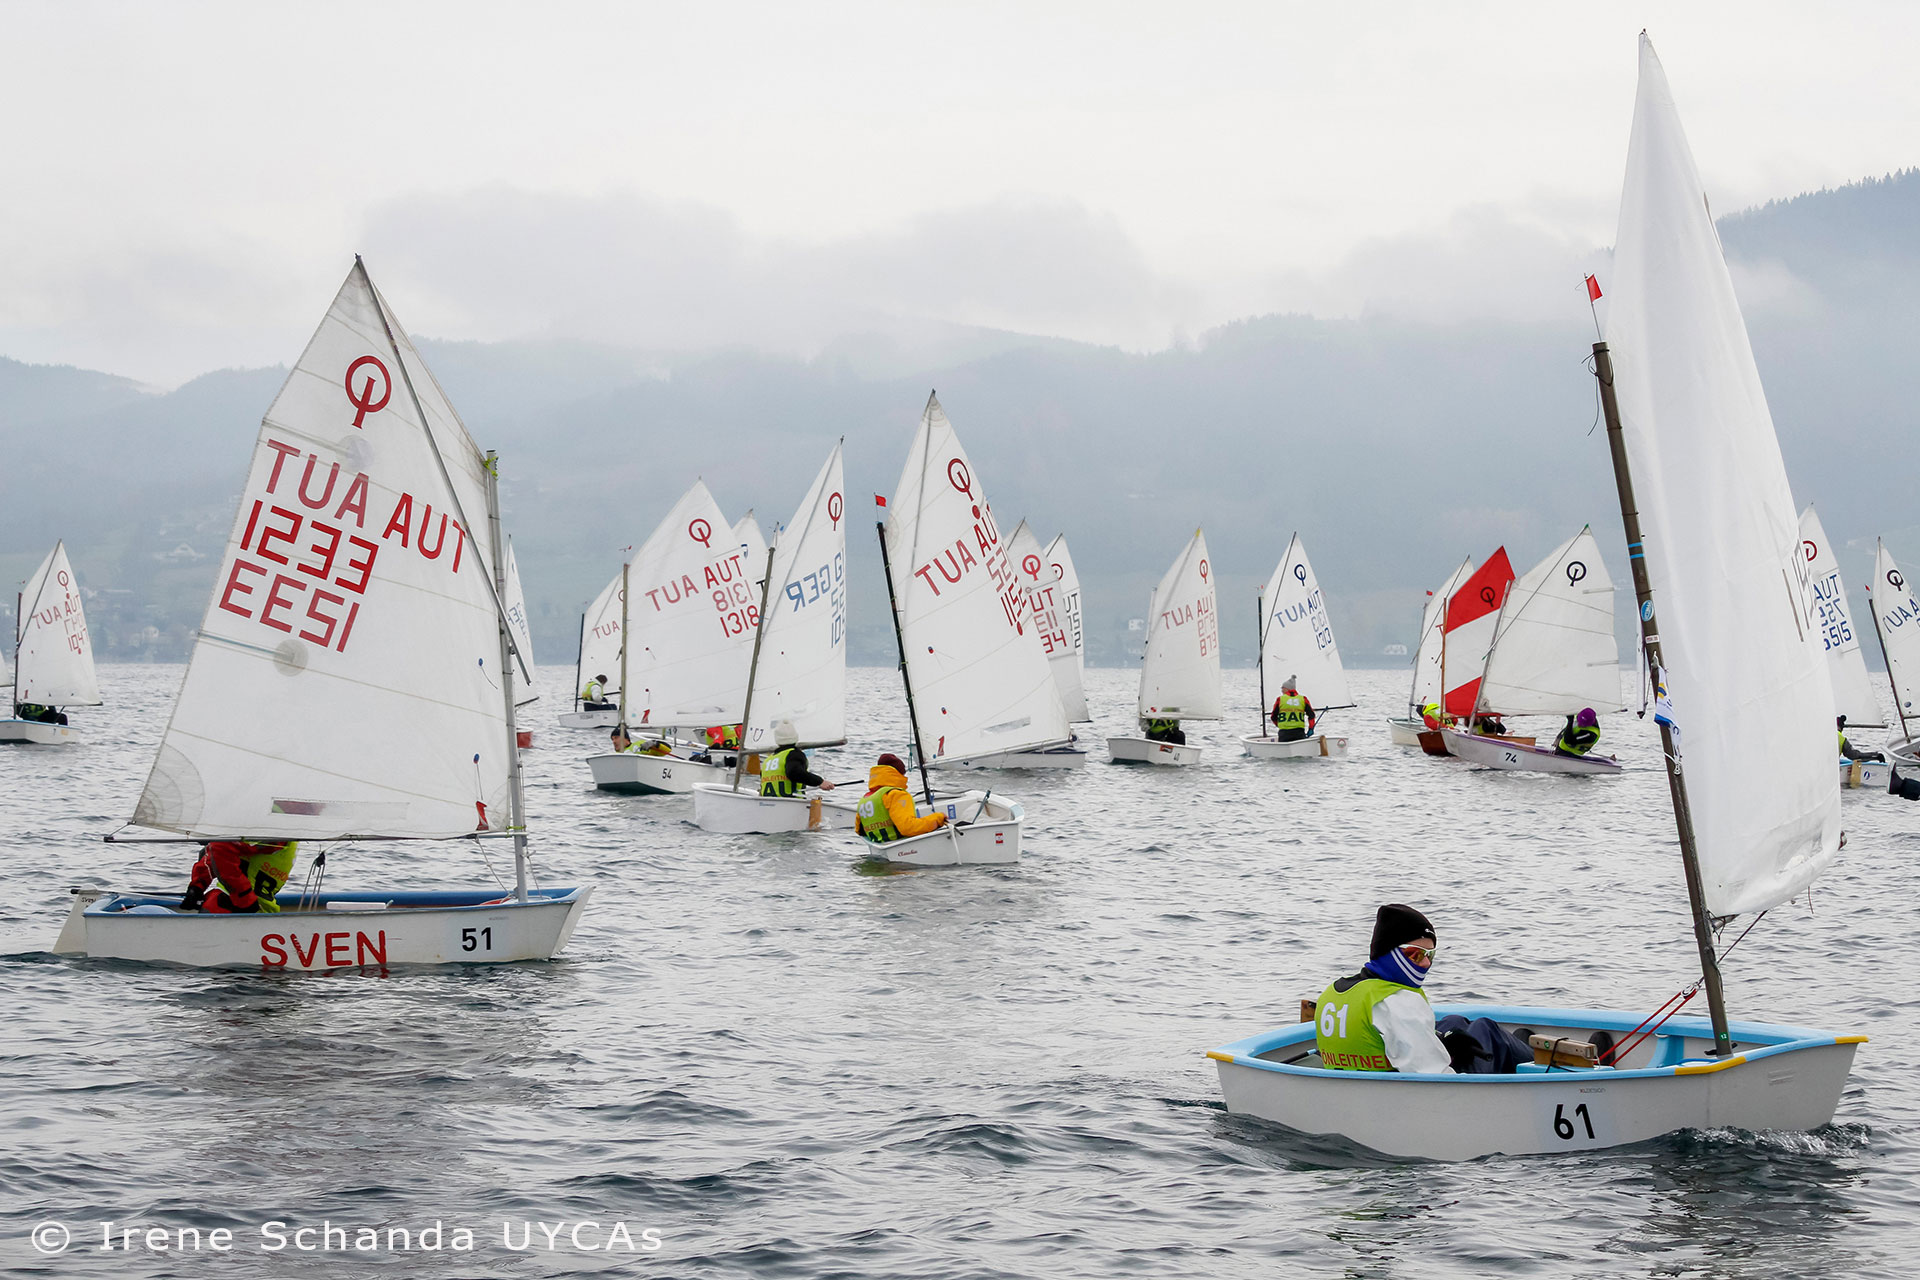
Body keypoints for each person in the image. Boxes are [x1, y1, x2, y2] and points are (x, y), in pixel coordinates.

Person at [1313, 903, 1531, 1075]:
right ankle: (1538, 1060)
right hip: (1421, 1098)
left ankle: (1520, 1043)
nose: (1426, 963)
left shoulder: (1332, 993)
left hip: (1360, 1090)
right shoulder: (1397, 1000)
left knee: (1454, 1022)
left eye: (1430, 955)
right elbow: (1436, 1078)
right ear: (1388, 950)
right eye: (1415, 954)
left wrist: (1444, 1044)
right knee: (1486, 1029)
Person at [180, 840, 298, 914]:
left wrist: (198, 885)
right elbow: (220, 847)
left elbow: (219, 848)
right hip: (232, 907)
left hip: (259, 909)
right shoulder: (274, 831)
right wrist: (245, 898)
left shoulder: (286, 832)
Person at [855, 753, 948, 844]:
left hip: (880, 846)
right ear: (897, 774)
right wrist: (938, 818)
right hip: (903, 848)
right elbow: (908, 828)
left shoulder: (864, 799)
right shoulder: (896, 794)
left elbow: (859, 831)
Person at [761, 721, 835, 798]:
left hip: (767, 803)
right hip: (791, 803)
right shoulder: (794, 754)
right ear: (796, 737)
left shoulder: (767, 760)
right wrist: (820, 782)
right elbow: (794, 772)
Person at [1269, 676, 1316, 742]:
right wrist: (1311, 728)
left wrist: (1279, 725)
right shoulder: (1303, 699)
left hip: (1284, 733)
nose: (1282, 690)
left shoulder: (1280, 699)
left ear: (1287, 688)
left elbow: (1273, 716)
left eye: (1283, 688)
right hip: (1299, 732)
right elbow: (1311, 715)